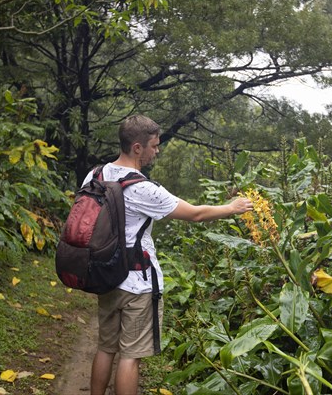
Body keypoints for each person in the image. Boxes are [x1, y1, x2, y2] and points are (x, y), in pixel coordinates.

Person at [86, 115, 253, 395]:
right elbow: (196, 214)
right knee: (130, 356)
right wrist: (232, 207)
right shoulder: (143, 188)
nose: (157, 150)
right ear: (137, 148)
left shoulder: (95, 175)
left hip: (106, 273)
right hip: (137, 282)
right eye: (154, 145)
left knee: (105, 347)